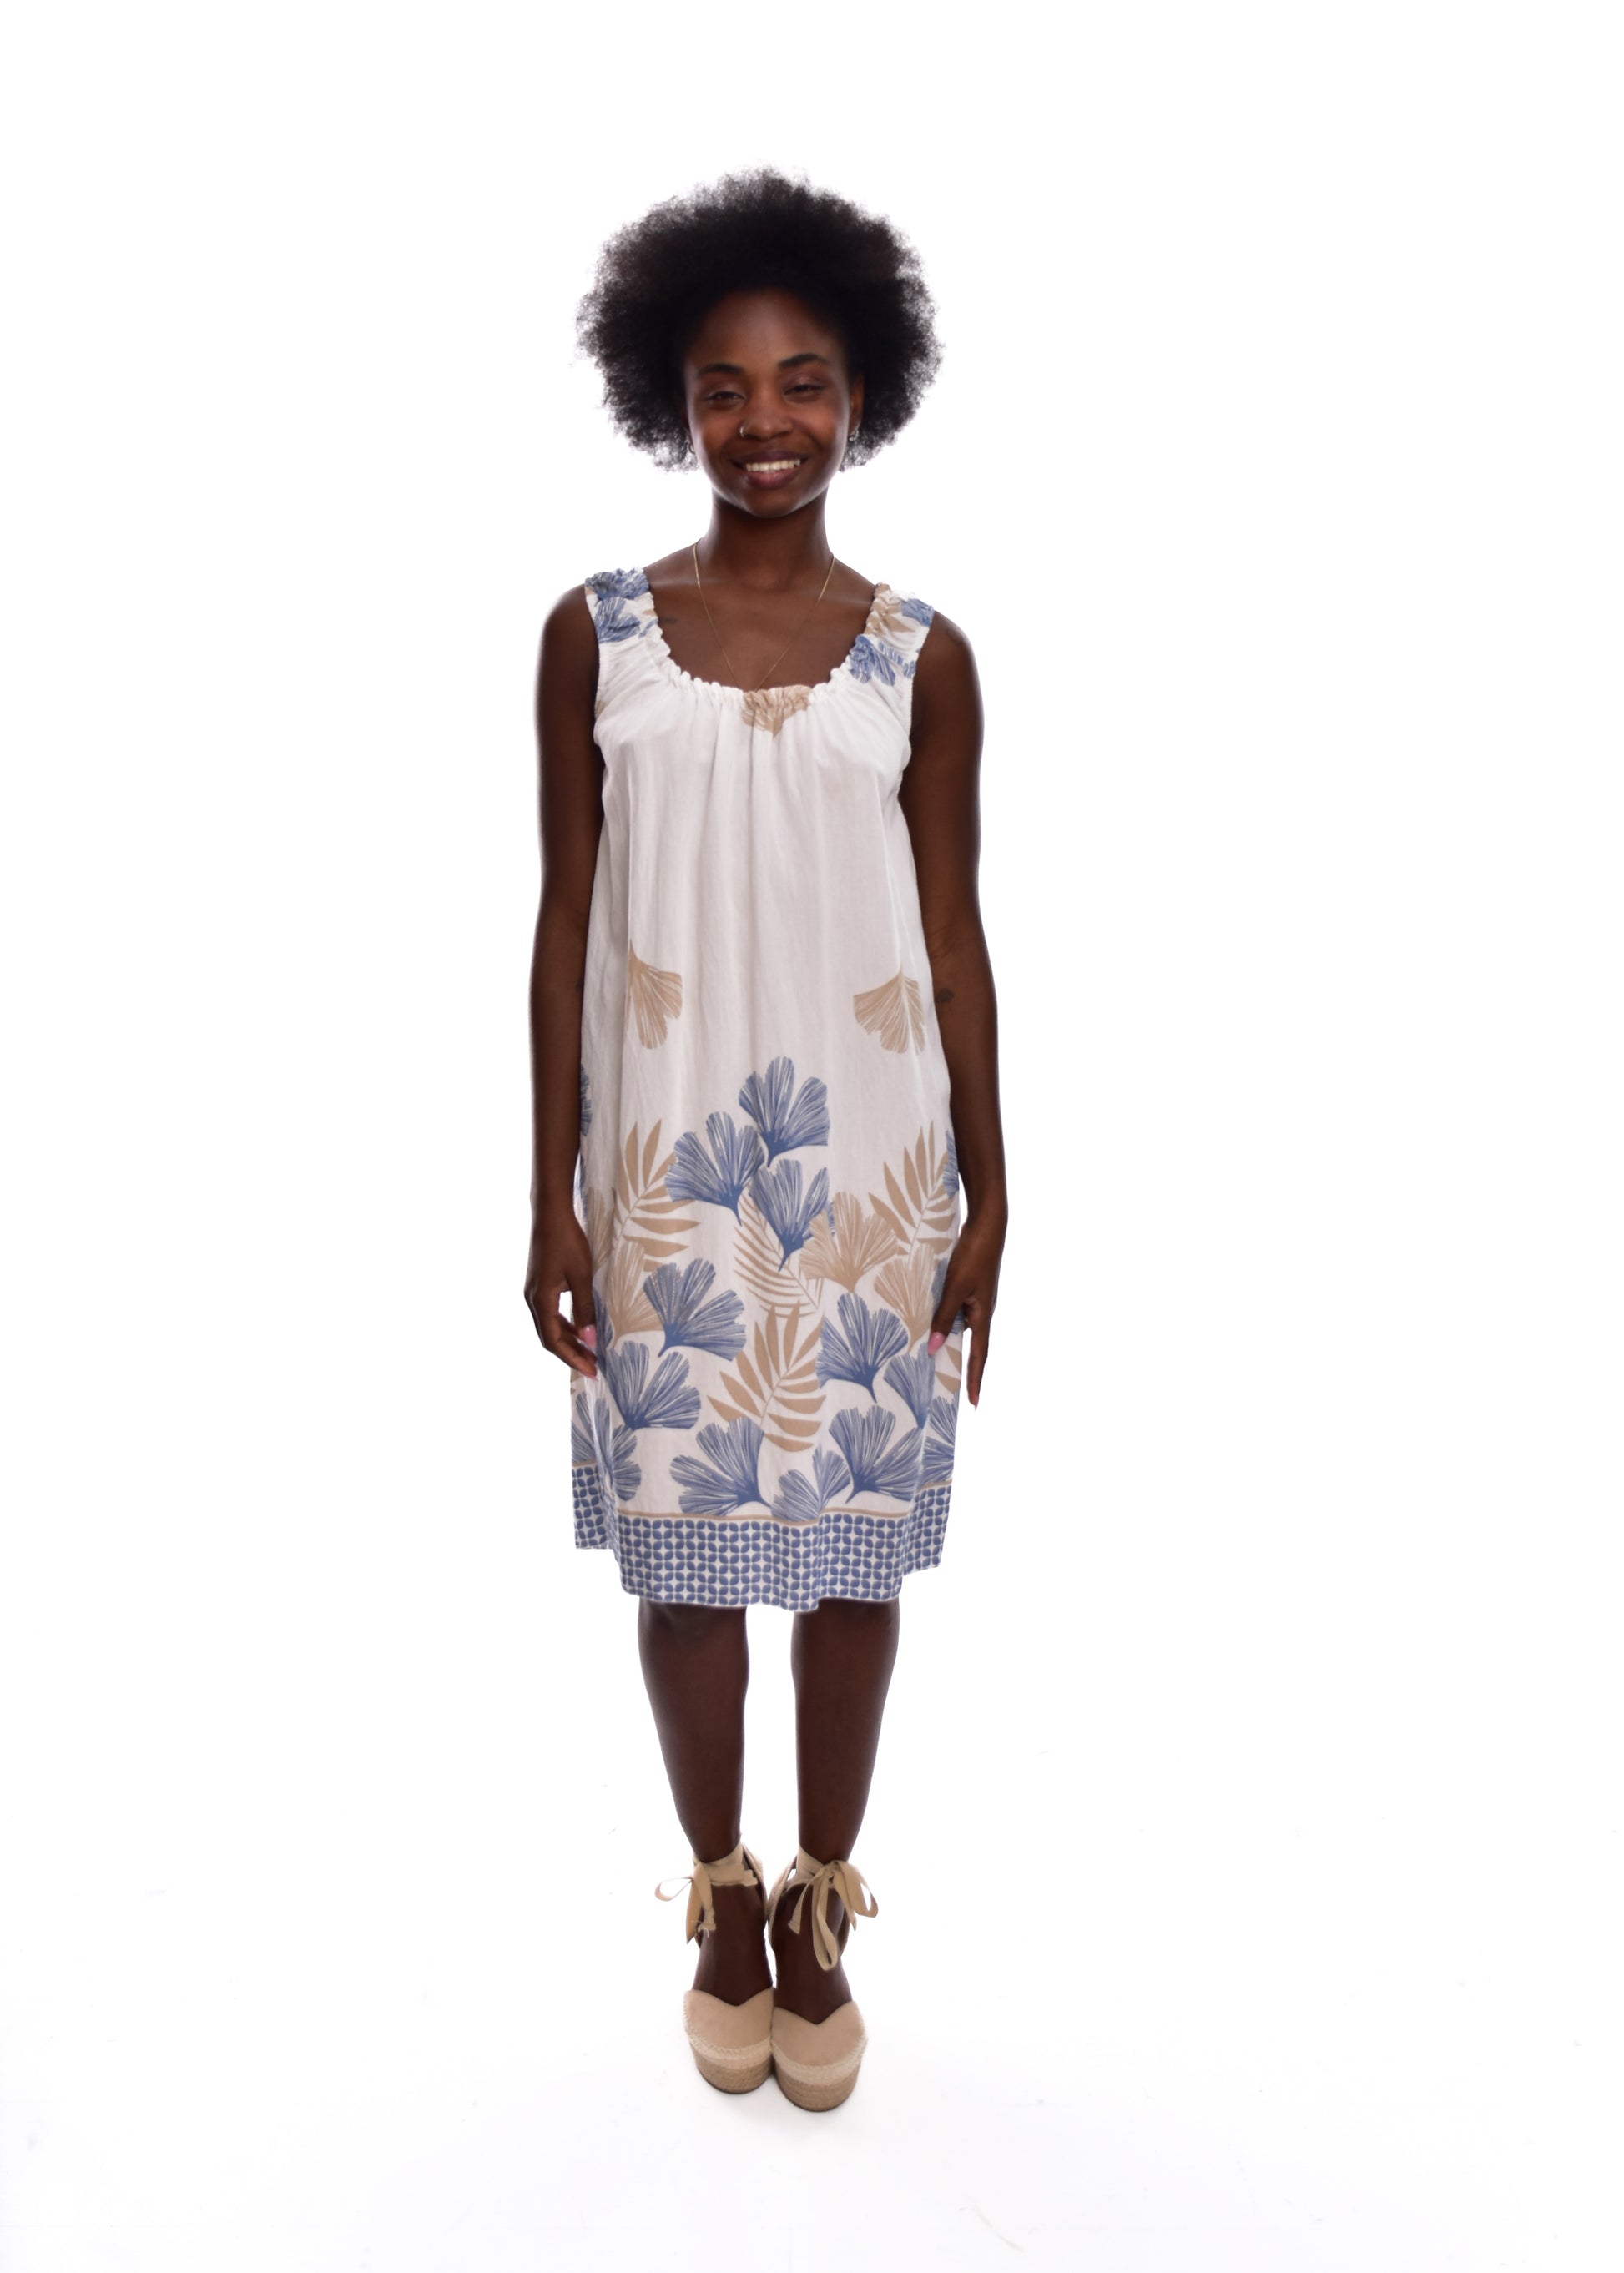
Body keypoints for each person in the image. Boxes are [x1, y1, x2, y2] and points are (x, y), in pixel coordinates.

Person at [524, 169, 1008, 2112]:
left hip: (875, 1177)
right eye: (723, 389)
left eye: (803, 382)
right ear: (672, 403)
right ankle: (720, 1898)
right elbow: (564, 918)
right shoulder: (598, 636)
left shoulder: (919, 656)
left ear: (862, 393)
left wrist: (996, 1196)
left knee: (854, 1568)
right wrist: (546, 1189)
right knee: (688, 1567)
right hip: (664, 1172)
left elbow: (955, 936)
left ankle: (823, 1906)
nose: (766, 422)